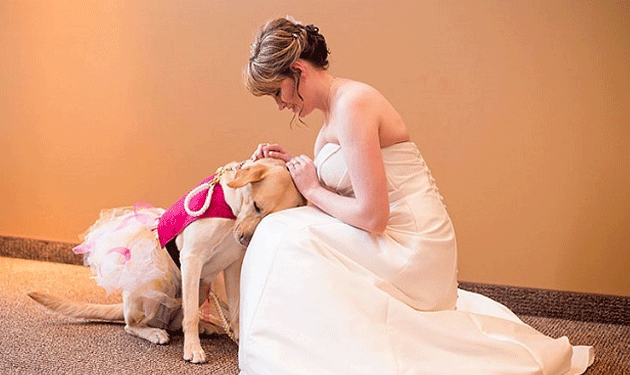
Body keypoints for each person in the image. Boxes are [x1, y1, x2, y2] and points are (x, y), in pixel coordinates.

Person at [238, 16, 593, 375]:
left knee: (284, 236)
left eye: (276, 91)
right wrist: (288, 169)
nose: (279, 104)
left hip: (413, 244)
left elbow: (372, 217)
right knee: (282, 230)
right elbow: (343, 193)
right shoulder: (335, 111)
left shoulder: (353, 103)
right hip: (387, 233)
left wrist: (312, 188)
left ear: (298, 69)